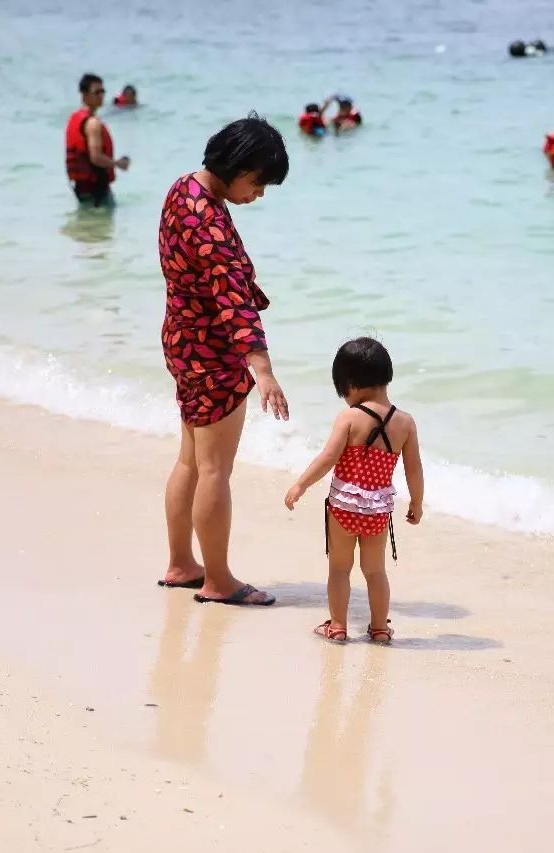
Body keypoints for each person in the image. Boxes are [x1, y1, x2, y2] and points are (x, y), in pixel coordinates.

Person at [156, 114, 290, 607]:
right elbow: (232, 296)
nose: (259, 194)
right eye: (257, 182)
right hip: (212, 352)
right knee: (215, 469)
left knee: (190, 458)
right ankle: (218, 581)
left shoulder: (183, 188)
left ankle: (180, 564)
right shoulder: (209, 220)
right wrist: (263, 369)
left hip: (180, 339)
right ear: (236, 167)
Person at [284, 338, 424, 644]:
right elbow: (413, 469)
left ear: (351, 384)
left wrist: (300, 484)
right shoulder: (405, 422)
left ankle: (337, 626)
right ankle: (379, 629)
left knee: (339, 569)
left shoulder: (349, 417)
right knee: (375, 571)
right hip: (377, 512)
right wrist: (416, 502)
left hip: (344, 506)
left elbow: (328, 458)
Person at [64, 73, 130, 207]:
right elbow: (96, 157)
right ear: (84, 95)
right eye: (97, 92)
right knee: (104, 222)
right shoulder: (92, 123)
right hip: (96, 187)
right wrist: (118, 163)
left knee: (88, 223)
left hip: (81, 186)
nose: (101, 95)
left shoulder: (76, 117)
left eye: (103, 91)